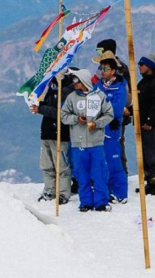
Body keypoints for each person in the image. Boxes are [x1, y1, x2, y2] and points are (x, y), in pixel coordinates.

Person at [61, 69, 114, 212]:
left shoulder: (99, 96)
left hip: (96, 142)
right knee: (81, 174)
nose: (74, 83)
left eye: (76, 80)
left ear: (84, 80)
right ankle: (85, 202)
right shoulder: (71, 98)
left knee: (99, 173)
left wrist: (97, 123)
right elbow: (63, 116)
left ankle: (101, 201)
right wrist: (76, 119)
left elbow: (109, 114)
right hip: (78, 143)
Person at [30, 75, 73, 204]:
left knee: (61, 166)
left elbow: (61, 113)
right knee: (47, 165)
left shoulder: (67, 91)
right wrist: (38, 104)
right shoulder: (52, 86)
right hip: (47, 132)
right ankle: (50, 190)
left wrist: (41, 109)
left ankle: (63, 193)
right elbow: (49, 106)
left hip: (60, 133)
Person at [93, 38, 132, 175]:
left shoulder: (119, 69)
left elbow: (126, 94)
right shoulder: (102, 68)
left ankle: (121, 172)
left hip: (115, 115)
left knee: (116, 144)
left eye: (99, 50)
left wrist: (123, 109)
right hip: (101, 115)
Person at [95, 52, 129, 204]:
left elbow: (116, 108)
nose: (103, 72)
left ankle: (120, 192)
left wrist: (102, 114)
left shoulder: (120, 86)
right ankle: (106, 190)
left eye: (106, 69)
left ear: (113, 70)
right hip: (98, 129)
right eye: (101, 68)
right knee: (102, 161)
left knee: (114, 161)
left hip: (111, 129)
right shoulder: (98, 86)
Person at [134, 54, 155, 196]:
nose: (139, 67)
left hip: (150, 125)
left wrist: (149, 122)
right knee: (145, 154)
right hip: (141, 124)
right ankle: (149, 181)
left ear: (150, 66)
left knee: (153, 153)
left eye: (142, 64)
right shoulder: (142, 83)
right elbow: (138, 103)